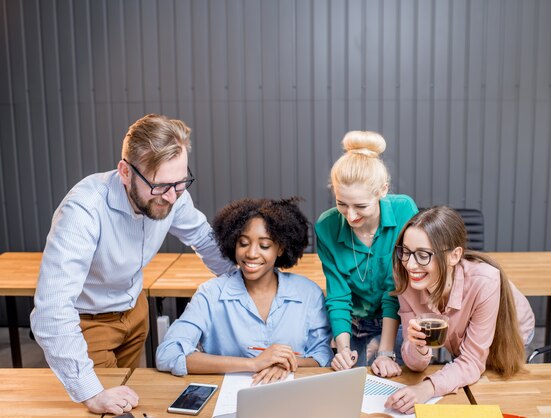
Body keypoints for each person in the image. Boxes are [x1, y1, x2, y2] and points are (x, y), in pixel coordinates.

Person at [30, 114, 234, 415]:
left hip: (136, 311)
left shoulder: (171, 193)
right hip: (89, 323)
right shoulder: (84, 210)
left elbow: (204, 239)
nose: (171, 196)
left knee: (130, 397)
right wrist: (90, 392)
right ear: (125, 172)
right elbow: (51, 311)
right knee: (106, 408)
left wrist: (252, 283)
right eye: (160, 186)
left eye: (180, 183)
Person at [156, 198, 333, 384]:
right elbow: (168, 354)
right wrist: (253, 364)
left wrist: (284, 362)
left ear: (280, 248)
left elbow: (322, 356)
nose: (251, 254)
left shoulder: (308, 293)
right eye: (243, 243)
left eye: (264, 245)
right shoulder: (211, 294)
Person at [384, 206, 535, 415]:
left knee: (496, 386)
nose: (410, 264)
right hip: (462, 346)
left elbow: (472, 361)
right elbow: (417, 364)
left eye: (423, 255)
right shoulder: (405, 280)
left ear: (454, 256)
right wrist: (418, 347)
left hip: (509, 336)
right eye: (406, 252)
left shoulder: (485, 281)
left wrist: (426, 388)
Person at [315, 131, 418, 378]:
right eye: (341, 204)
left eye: (361, 206)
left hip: (398, 317)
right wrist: (342, 348)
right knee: (348, 383)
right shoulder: (326, 226)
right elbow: (338, 295)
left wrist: (385, 352)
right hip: (353, 323)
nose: (350, 216)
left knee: (399, 381)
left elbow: (396, 288)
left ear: (383, 190)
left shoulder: (404, 210)